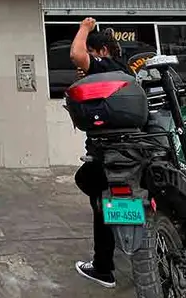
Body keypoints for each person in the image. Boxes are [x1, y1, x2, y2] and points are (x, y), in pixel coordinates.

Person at [68, 18, 134, 288]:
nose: (88, 58)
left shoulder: (107, 67)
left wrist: (85, 27)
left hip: (109, 153)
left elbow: (76, 55)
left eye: (92, 52)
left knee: (99, 195)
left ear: (103, 51)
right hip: (132, 151)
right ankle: (125, 232)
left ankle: (103, 267)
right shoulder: (126, 71)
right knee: (109, 195)